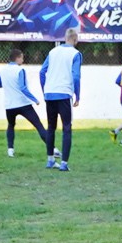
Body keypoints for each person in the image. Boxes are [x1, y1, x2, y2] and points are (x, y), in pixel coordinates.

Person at [40, 28, 82, 172]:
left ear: (65, 38)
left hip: (50, 93)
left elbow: (42, 72)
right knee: (66, 128)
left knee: (51, 127)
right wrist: (77, 95)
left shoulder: (53, 52)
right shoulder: (75, 54)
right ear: (75, 40)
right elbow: (76, 76)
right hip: (64, 94)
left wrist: (44, 90)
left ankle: (50, 160)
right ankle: (64, 163)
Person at [0, 49, 48, 157]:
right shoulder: (20, 70)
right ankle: (53, 148)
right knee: (38, 125)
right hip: (23, 104)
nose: (23, 60)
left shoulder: (3, 70)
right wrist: (35, 99)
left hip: (9, 105)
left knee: (11, 125)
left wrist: (9, 85)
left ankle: (10, 150)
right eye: (22, 58)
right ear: (17, 58)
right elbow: (23, 88)